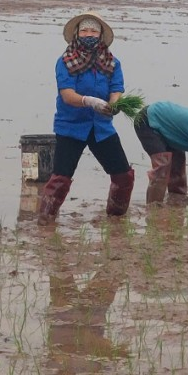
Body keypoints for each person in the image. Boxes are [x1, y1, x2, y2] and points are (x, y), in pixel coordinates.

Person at [37, 11, 134, 225]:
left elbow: (117, 89)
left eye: (93, 30)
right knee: (60, 178)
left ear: (100, 35)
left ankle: (116, 220)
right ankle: (45, 222)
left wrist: (114, 104)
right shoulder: (65, 61)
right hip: (71, 127)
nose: (88, 34)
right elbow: (67, 94)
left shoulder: (112, 63)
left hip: (101, 127)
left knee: (123, 175)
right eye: (84, 30)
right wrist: (89, 101)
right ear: (76, 34)